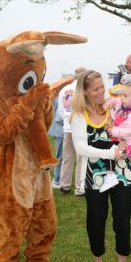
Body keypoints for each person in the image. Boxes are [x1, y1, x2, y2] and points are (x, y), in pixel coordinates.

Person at [70, 70, 131, 262]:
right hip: (95, 177)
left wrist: (129, 142)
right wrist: (110, 153)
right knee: (95, 221)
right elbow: (80, 148)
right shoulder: (79, 114)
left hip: (123, 174)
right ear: (85, 92)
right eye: (95, 89)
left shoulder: (115, 106)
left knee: (122, 221)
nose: (101, 91)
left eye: (102, 86)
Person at [99, 82, 131, 192]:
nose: (121, 98)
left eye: (125, 96)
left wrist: (114, 131)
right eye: (121, 94)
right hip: (122, 140)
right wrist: (111, 102)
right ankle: (112, 176)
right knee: (109, 152)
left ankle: (111, 177)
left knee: (110, 153)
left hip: (129, 145)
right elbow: (116, 101)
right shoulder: (126, 106)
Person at [58, 67, 86, 196]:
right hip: (81, 128)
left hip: (67, 128)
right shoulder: (84, 90)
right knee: (81, 158)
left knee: (67, 158)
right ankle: (80, 188)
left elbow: (59, 111)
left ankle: (64, 185)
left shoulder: (64, 90)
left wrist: (66, 120)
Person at [48, 96, 64, 189]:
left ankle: (59, 179)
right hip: (60, 131)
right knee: (60, 156)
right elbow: (59, 117)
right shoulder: (60, 98)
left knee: (61, 155)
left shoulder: (56, 97)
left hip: (57, 130)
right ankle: (56, 180)